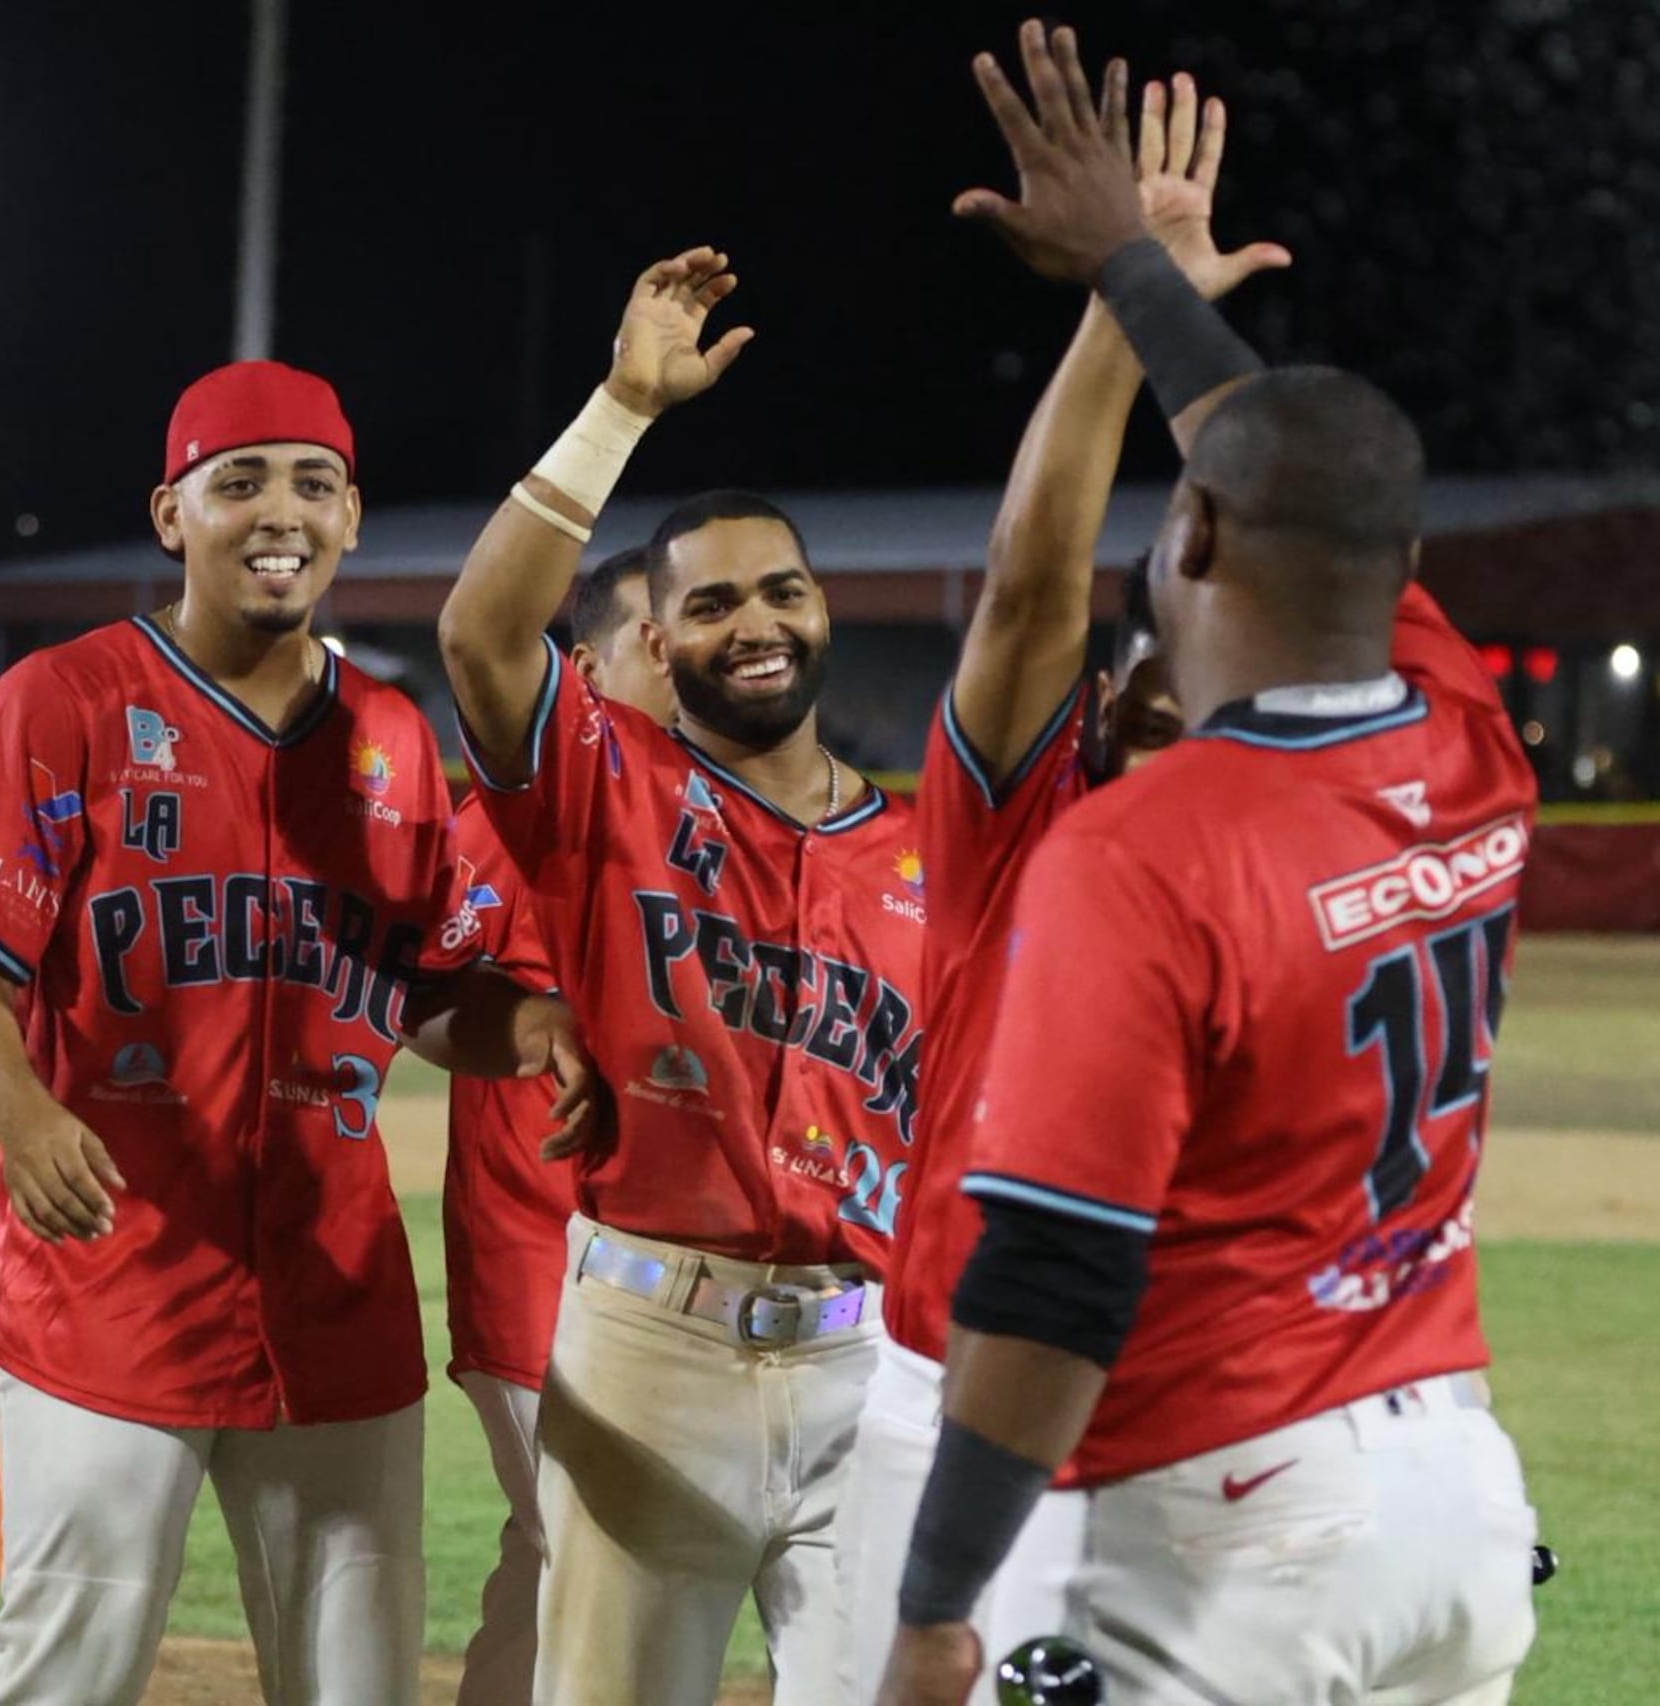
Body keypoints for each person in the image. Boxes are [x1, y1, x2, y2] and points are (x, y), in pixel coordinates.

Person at [881, 23, 1540, 1703]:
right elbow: (1285, 464)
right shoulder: (1465, 744)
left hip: (1216, 1501)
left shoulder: (1139, 855)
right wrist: (1134, 276)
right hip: (1447, 1488)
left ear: (1187, 540)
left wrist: (940, 1599)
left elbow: (1054, 1277)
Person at [0, 359, 591, 1706]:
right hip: (112, 1292)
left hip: (337, 1303)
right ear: (173, 513)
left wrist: (539, 1031)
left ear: (351, 518)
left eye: (314, 483)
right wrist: (25, 1111)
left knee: (358, 1686)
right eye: (240, 482)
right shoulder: (64, 702)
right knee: (69, 1674)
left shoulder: (395, 738)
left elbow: (428, 996)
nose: (279, 511)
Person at [838, 57, 1291, 1704]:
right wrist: (1130, 288)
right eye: (1146, 679)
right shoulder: (1017, 832)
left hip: (1197, 1409)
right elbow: (1034, 589)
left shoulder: (1286, 870)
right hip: (949, 1390)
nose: (1175, 696)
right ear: (1104, 714)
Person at [437, 251, 926, 1706]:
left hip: (867, 1351)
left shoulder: (920, 851)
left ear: (825, 610)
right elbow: (481, 631)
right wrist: (624, 403)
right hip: (655, 1344)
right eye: (711, 606)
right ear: (655, 642)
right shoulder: (606, 790)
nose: (754, 623)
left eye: (782, 591)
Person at [445, 545, 674, 1706]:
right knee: (590, 1555)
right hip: (538, 1263)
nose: (691, 655)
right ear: (582, 666)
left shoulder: (703, 811)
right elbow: (431, 1003)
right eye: (660, 633)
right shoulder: (516, 817)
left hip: (651, 1279)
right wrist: (538, 1022)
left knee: (549, 1562)